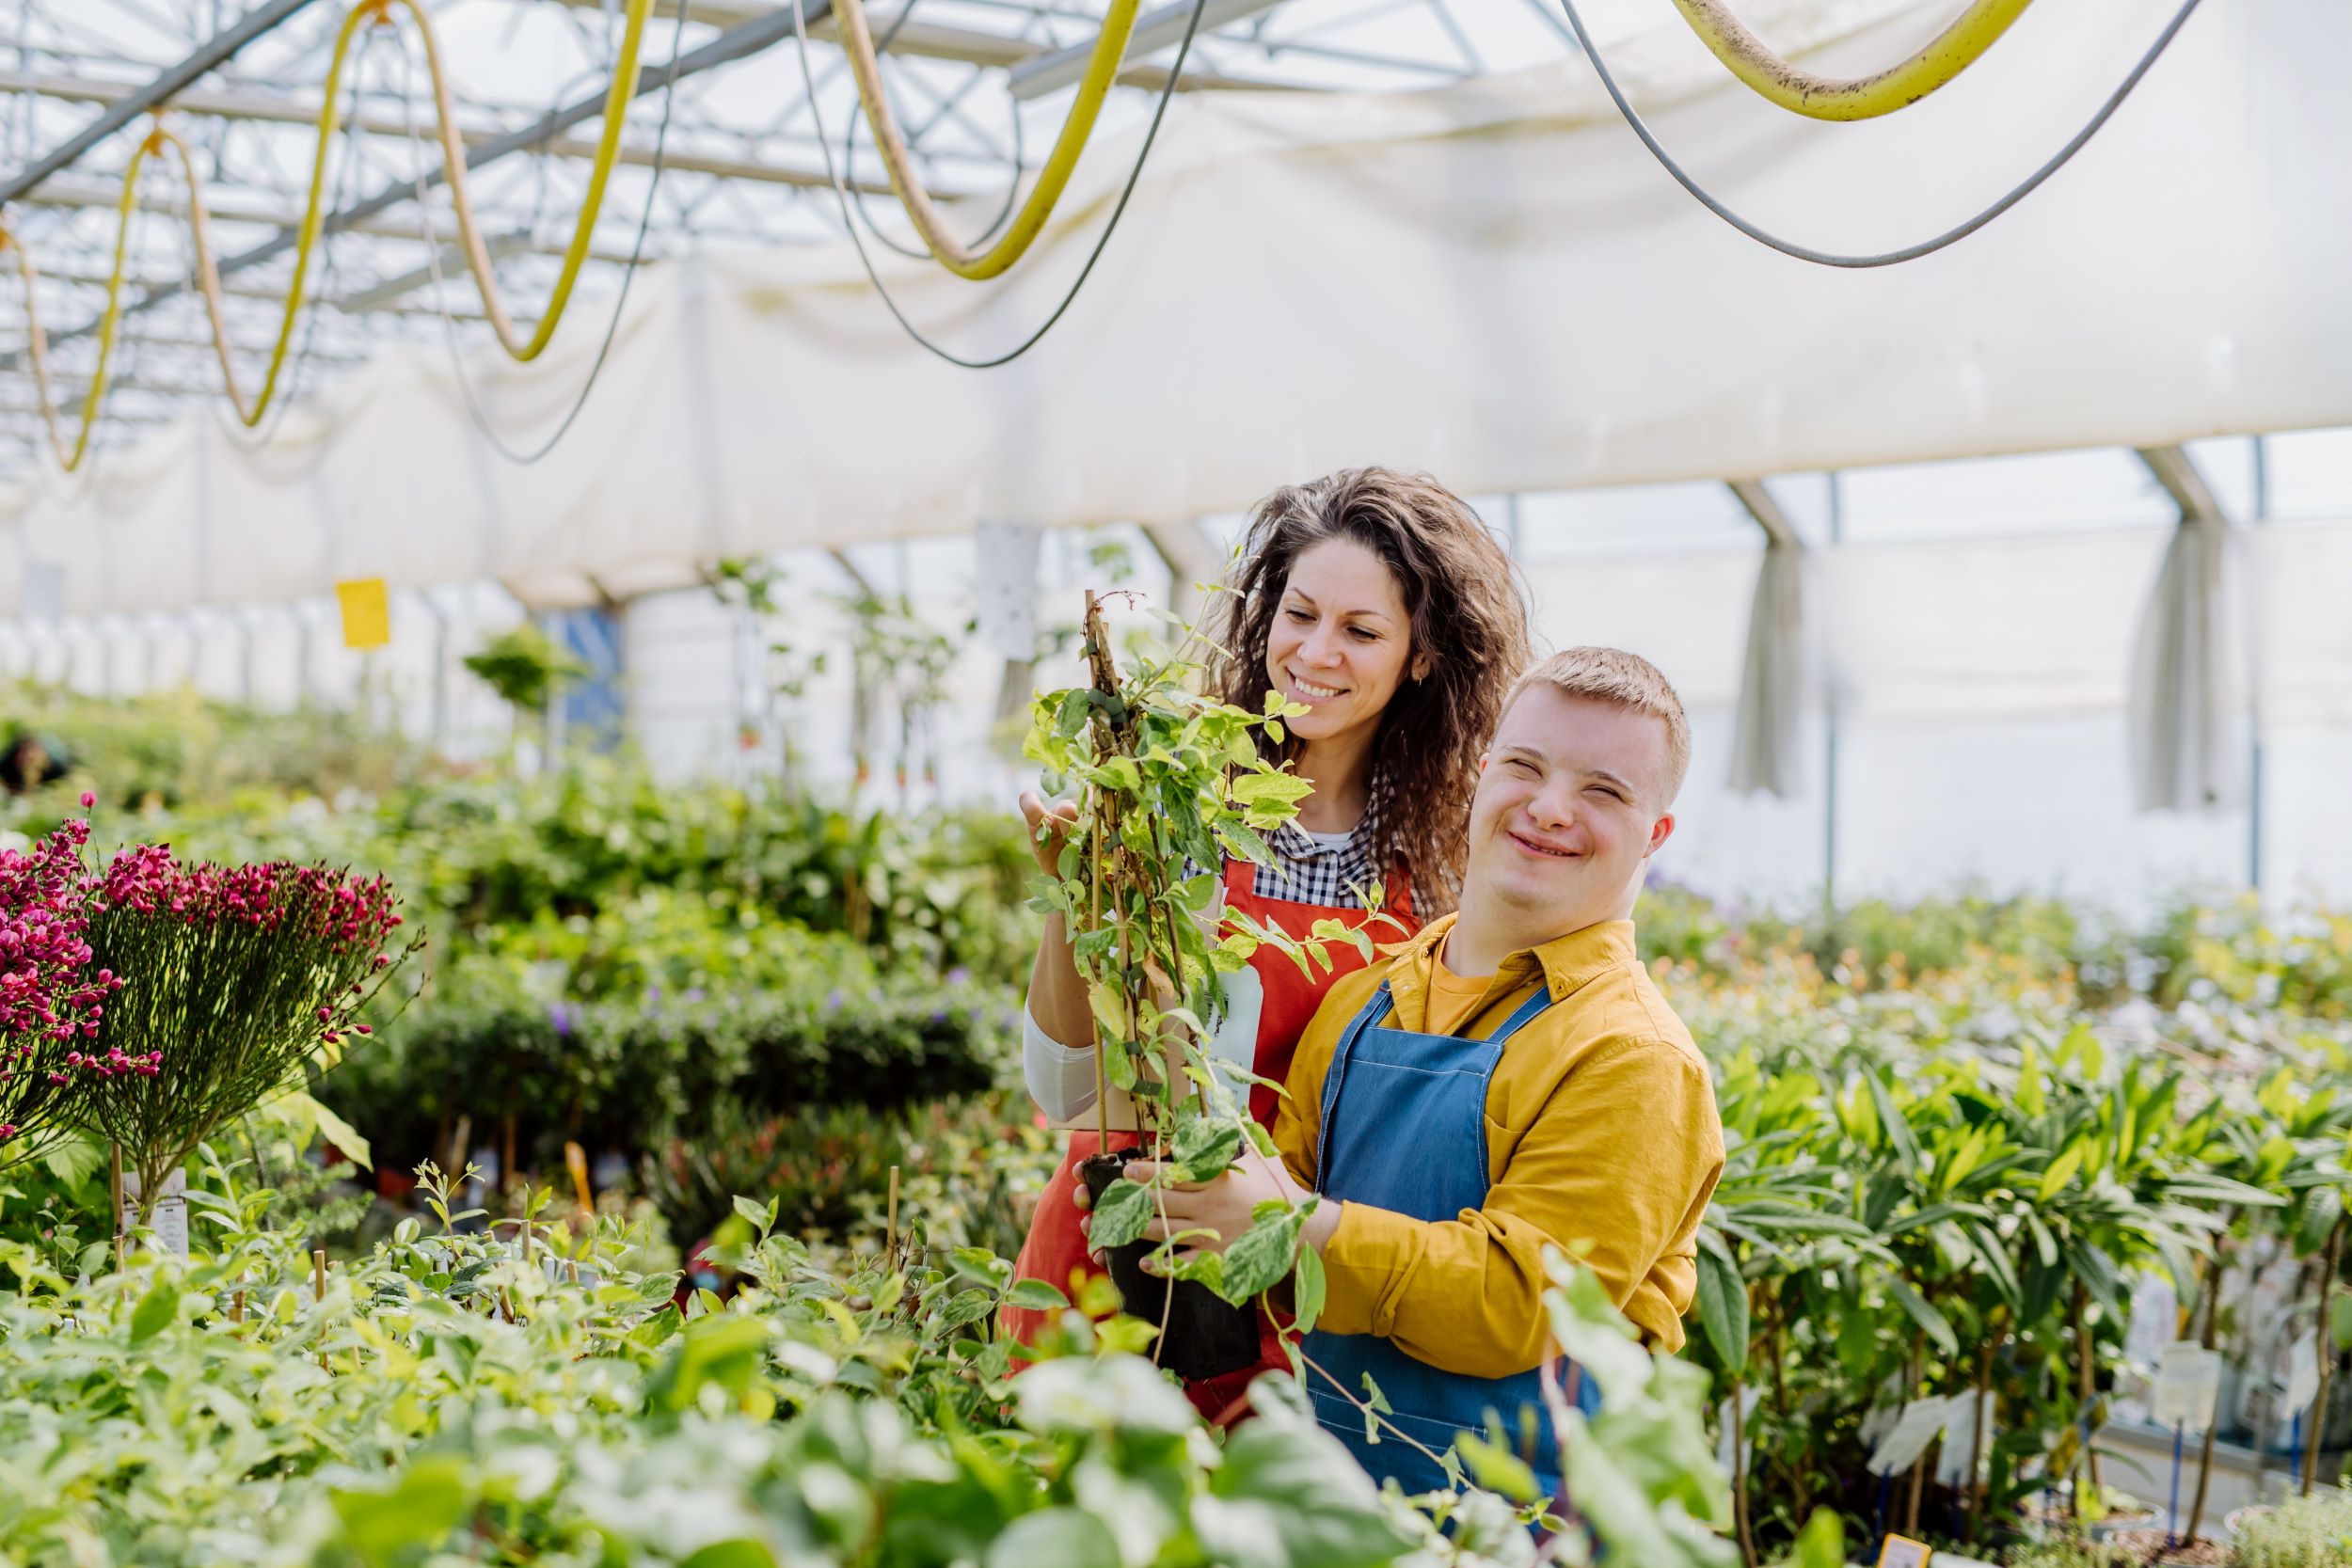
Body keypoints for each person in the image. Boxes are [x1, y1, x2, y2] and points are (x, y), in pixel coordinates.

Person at [1122, 646, 1725, 1494]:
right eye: (1525, 765)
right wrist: (1176, 1210)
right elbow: (1270, 1218)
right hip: (1332, 1504)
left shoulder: (1633, 1058)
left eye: (1603, 790)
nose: (1550, 808)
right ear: (1482, 775)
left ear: (1655, 835)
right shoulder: (1365, 999)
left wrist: (1289, 1227)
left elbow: (1519, 1302)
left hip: (1522, 1529)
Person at [1001, 467, 1533, 1420]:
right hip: (1118, 1253)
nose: (1315, 653)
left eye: (1361, 630)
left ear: (1420, 656)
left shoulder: (1439, 866)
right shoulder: (1173, 797)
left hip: (1284, 1284)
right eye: (1300, 613)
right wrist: (1073, 894)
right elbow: (1062, 1088)